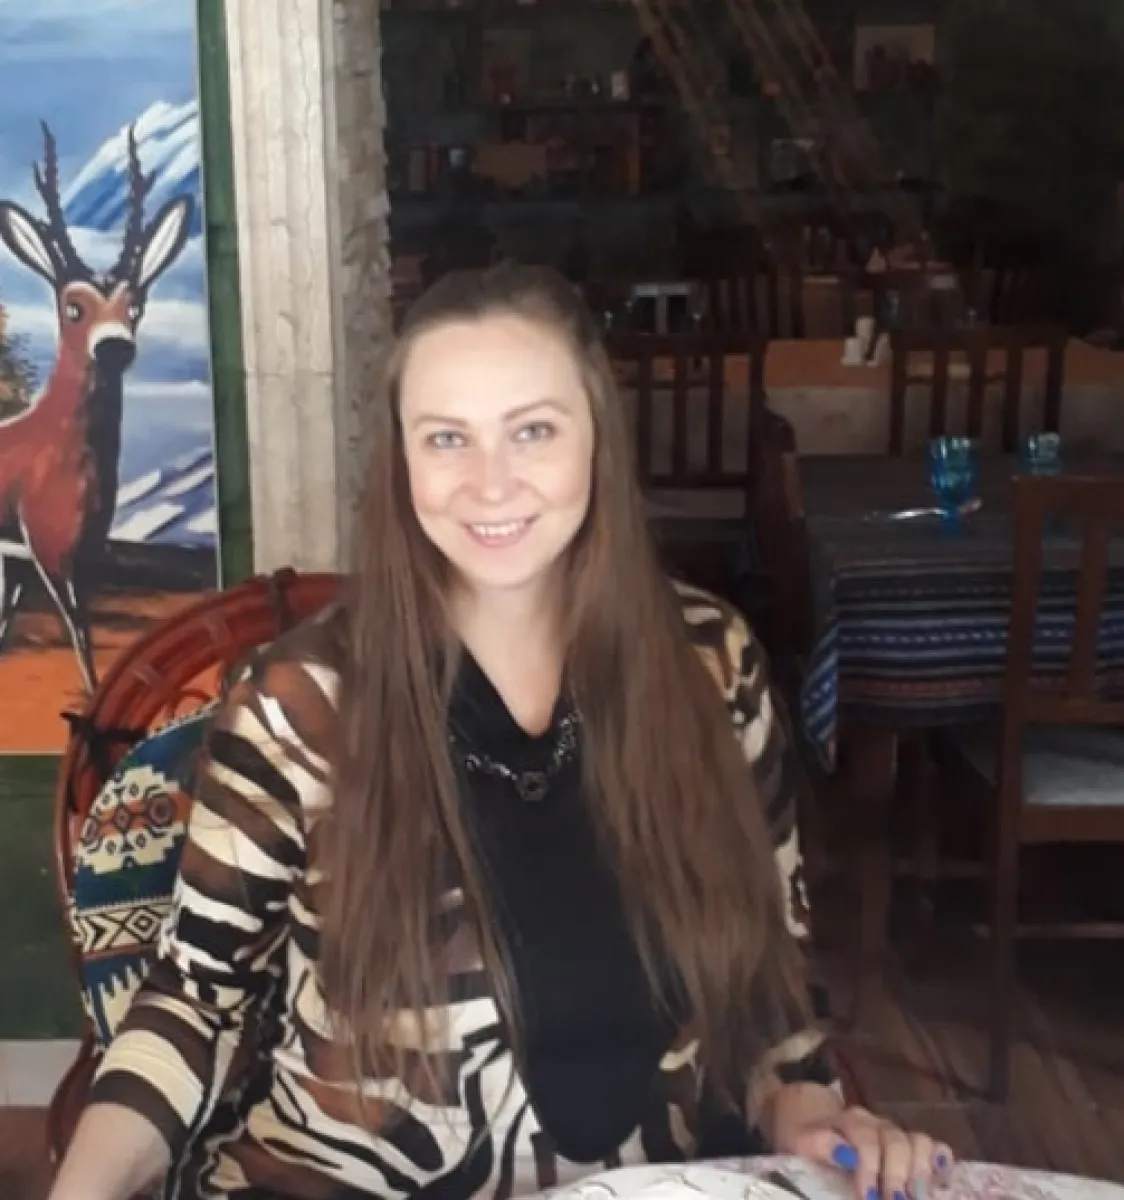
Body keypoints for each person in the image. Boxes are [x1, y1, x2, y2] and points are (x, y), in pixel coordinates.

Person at [49, 264, 952, 1200]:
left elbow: (771, 990)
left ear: (597, 438)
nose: (490, 484)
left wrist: (804, 1110)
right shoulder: (299, 706)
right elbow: (194, 1006)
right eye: (447, 438)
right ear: (402, 463)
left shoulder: (712, 666)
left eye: (533, 431)